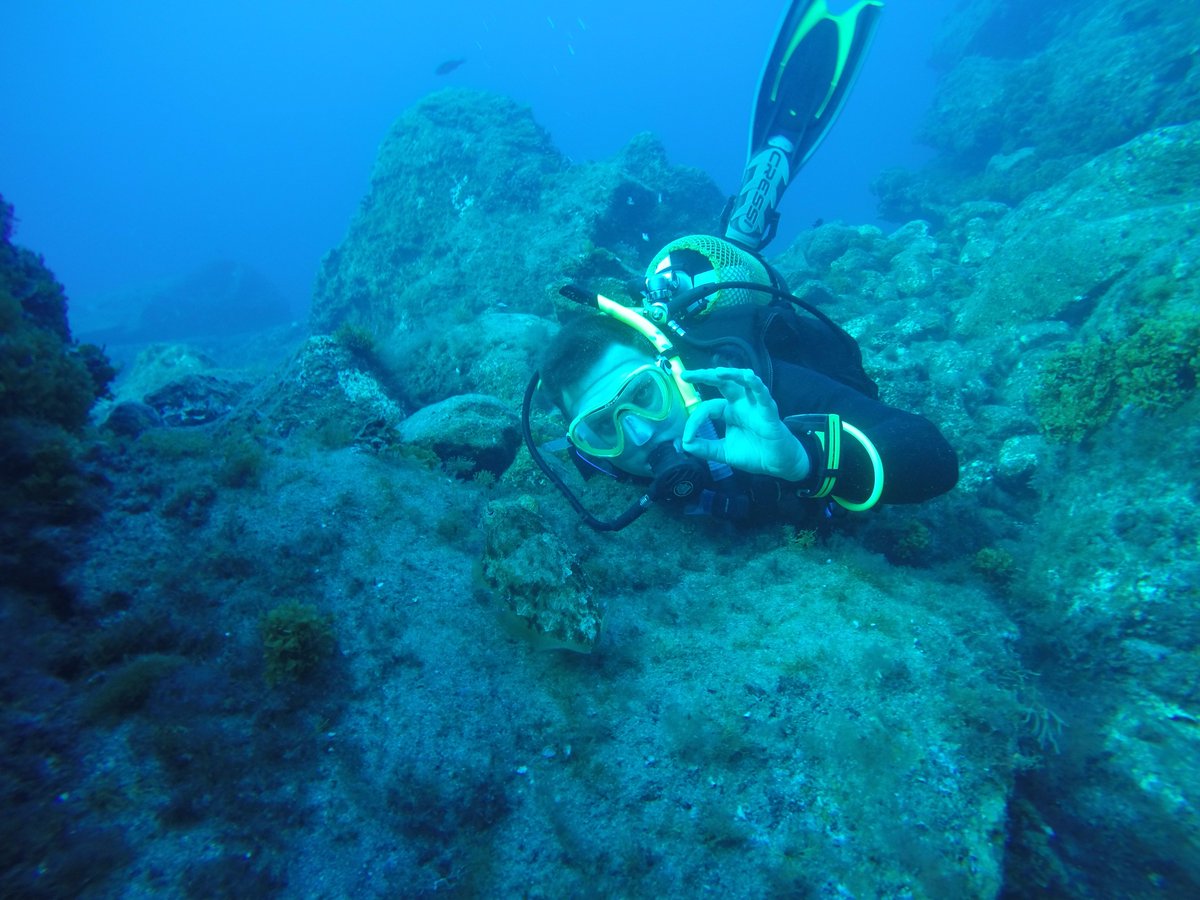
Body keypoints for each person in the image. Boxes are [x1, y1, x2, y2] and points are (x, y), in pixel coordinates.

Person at [524, 234, 957, 531]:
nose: (639, 433)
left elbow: (934, 456)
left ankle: (743, 232)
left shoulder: (753, 391)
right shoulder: (597, 460)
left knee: (738, 245)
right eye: (601, 427)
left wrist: (806, 459)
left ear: (671, 370)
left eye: (643, 394)